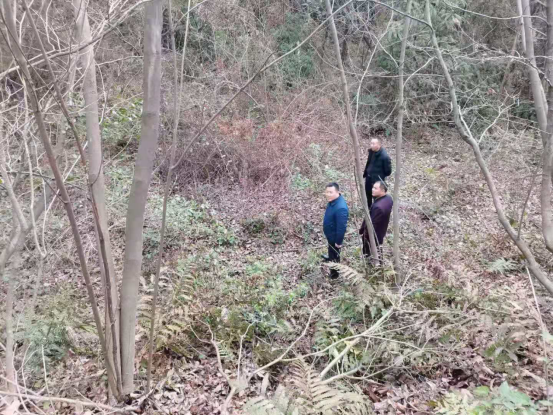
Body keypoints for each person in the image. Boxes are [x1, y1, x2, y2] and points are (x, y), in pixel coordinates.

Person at [359, 181, 393, 259]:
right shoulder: (388, 198)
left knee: (370, 253)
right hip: (381, 231)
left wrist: (365, 235)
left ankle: (371, 263)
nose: (372, 189)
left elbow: (372, 224)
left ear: (383, 190)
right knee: (378, 250)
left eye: (375, 188)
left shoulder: (378, 207)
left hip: (374, 235)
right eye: (373, 187)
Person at [322, 182, 349, 279]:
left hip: (334, 237)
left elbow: (341, 227)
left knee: (335, 254)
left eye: (331, 192)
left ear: (337, 192)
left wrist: (338, 242)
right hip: (330, 235)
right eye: (327, 192)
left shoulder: (341, 208)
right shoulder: (332, 201)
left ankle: (334, 275)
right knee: (331, 251)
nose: (328, 194)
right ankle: (330, 258)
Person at [363, 137, 392, 208]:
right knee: (368, 194)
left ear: (378, 145)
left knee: (376, 197)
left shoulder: (384, 156)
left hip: (377, 181)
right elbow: (368, 163)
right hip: (368, 178)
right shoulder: (371, 152)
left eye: (373, 144)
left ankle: (375, 210)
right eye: (371, 143)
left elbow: (388, 172)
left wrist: (379, 176)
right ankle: (368, 209)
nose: (371, 145)